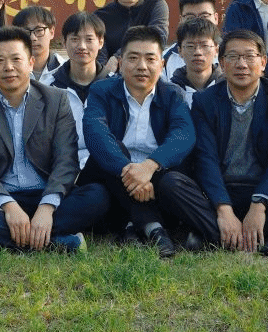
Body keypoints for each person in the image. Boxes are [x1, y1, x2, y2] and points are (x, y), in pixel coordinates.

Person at [0, 26, 108, 253]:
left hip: (46, 194)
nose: (8, 67)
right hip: (0, 198)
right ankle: (56, 241)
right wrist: (8, 205)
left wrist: (47, 207)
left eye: (16, 59)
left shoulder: (56, 100)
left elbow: (66, 160)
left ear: (30, 63)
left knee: (98, 196)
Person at [172, 31, 268, 256]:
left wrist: (260, 204)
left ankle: (214, 235)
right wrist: (223, 208)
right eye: (233, 57)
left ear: (263, 62)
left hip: (263, 188)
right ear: (222, 63)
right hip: (221, 188)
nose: (241, 64)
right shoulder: (205, 100)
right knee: (172, 183)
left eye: (250, 56)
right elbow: (205, 158)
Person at [81, 26, 200, 258]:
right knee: (111, 152)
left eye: (150, 59)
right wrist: (130, 171)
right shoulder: (101, 91)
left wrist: (150, 166)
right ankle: (154, 228)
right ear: (120, 63)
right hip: (114, 174)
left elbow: (184, 134)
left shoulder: (173, 94)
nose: (142, 66)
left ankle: (129, 226)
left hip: (155, 176)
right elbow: (95, 133)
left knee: (174, 172)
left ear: (162, 65)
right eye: (133, 58)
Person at [94, 0, 169, 69]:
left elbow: (157, 37)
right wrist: (104, 72)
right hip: (113, 73)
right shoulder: (101, 16)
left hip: (147, 69)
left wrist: (118, 56)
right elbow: (100, 52)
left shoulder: (156, 6)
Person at [52, 11, 108, 107]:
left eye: (89, 39)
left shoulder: (116, 85)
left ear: (100, 42)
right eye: (75, 39)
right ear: (64, 42)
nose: (82, 46)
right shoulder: (50, 85)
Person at [162, 0, 219, 79]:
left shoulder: (230, 54)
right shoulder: (165, 58)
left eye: (204, 16)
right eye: (190, 18)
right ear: (181, 20)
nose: (198, 22)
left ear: (216, 18)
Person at [167, 15, 223, 101]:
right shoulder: (169, 93)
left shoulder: (229, 88)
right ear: (180, 51)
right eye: (190, 46)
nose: (198, 52)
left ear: (216, 50)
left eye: (205, 45)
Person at [14, 6, 65, 84]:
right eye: (26, 31)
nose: (32, 38)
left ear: (52, 32)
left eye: (39, 30)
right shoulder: (10, 70)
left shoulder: (65, 69)